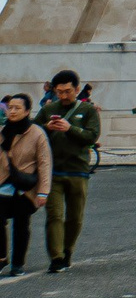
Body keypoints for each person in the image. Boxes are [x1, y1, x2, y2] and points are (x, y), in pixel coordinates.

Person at [38, 70, 97, 272]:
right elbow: (33, 132)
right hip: (53, 171)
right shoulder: (48, 109)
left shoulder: (88, 110)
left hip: (78, 169)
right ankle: (56, 257)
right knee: (54, 215)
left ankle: (67, 249)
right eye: (60, 91)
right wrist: (47, 127)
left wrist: (69, 128)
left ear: (77, 89)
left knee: (75, 217)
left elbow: (92, 136)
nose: (64, 96)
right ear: (54, 90)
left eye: (68, 91)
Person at [1, 93, 50, 276]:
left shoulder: (36, 133)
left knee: (21, 224)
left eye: (17, 108)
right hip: (3, 185)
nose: (12, 111)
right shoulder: (3, 132)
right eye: (10, 107)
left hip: (25, 187)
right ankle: (1, 257)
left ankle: (18, 264)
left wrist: (43, 191)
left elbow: (45, 163)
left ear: (27, 111)